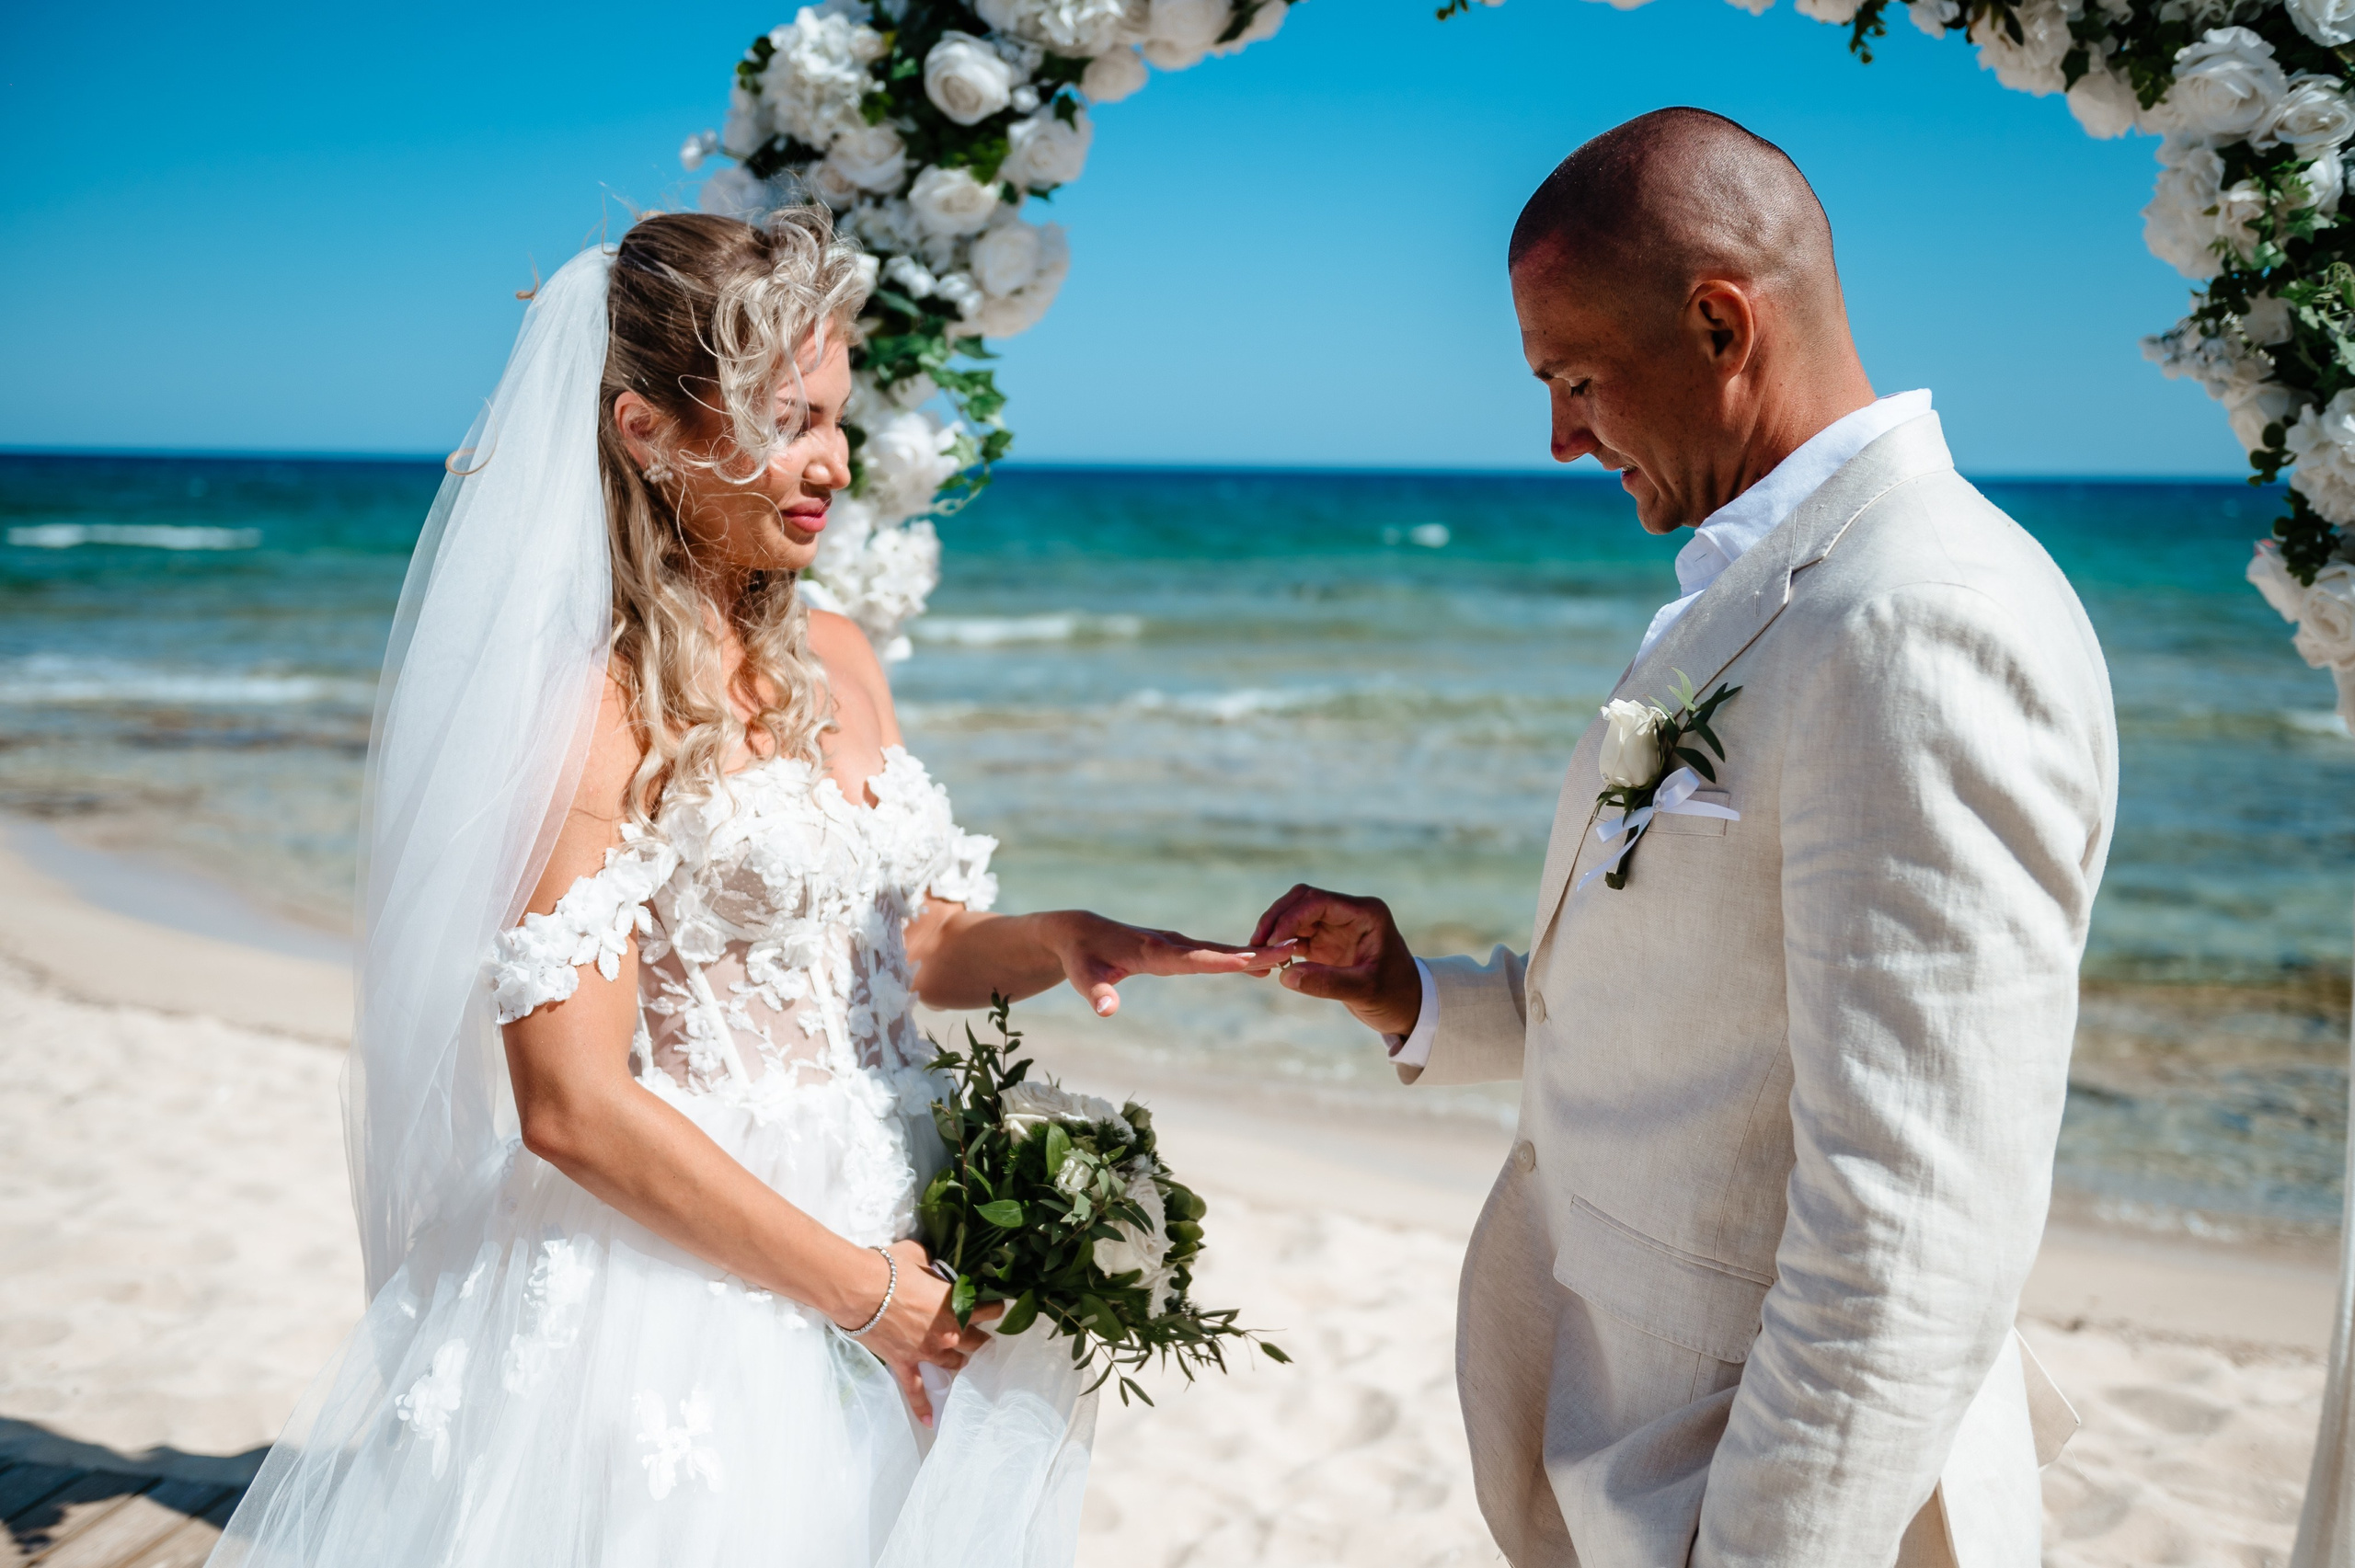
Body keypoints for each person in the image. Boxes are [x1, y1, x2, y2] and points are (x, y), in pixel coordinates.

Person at [211, 209, 1267, 1567]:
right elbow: (570, 1103)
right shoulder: (588, 709)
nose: (830, 460)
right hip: (695, 1276)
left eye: (834, 417)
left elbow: (911, 949)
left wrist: (1062, 939)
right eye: (788, 420)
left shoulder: (842, 652)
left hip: (909, 1228)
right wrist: (859, 1293)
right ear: (648, 432)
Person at [1249, 109, 2114, 1567]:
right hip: (1627, 1455)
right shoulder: (1778, 584)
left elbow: (1914, 1229)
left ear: (1721, 322)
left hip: (1751, 1490)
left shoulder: (1923, 617)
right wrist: (1416, 995)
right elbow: (1701, 1003)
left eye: (1576, 378)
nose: (1559, 436)